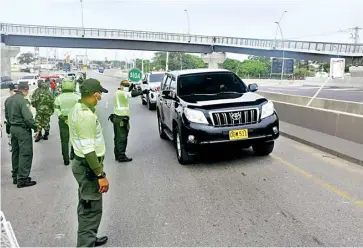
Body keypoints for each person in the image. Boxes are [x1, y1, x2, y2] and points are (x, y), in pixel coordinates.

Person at [68, 78, 109, 247]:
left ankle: (89, 238)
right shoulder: (85, 116)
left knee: (86, 205)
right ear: (95, 94)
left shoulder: (78, 108)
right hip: (88, 167)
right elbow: (88, 150)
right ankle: (86, 243)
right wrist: (100, 174)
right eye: (99, 94)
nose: (100, 97)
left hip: (83, 165)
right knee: (91, 209)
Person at [4, 82, 37, 188]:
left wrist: (10, 127)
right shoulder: (23, 101)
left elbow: (7, 116)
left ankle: (15, 176)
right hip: (22, 130)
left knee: (15, 152)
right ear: (26, 90)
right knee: (25, 153)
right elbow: (28, 118)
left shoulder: (8, 100)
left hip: (13, 128)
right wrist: (35, 127)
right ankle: (22, 179)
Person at [110, 79, 146, 162]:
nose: (127, 87)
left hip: (117, 118)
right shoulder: (122, 93)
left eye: (128, 86)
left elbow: (128, 92)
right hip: (121, 119)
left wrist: (131, 86)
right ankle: (121, 156)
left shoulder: (118, 92)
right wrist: (142, 92)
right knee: (122, 138)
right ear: (121, 86)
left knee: (117, 138)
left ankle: (117, 155)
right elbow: (131, 94)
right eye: (125, 86)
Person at [54, 79, 80, 165]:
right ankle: (73, 155)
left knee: (64, 140)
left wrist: (61, 116)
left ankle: (66, 159)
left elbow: (57, 109)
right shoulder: (77, 97)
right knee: (75, 138)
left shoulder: (59, 98)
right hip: (75, 120)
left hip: (63, 120)